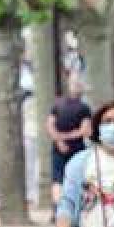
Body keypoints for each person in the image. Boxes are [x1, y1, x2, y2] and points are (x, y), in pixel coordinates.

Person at [47, 77, 93, 209]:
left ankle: (58, 209)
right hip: (77, 148)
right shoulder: (84, 108)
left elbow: (50, 126)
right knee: (77, 178)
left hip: (58, 147)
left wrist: (59, 140)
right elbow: (86, 130)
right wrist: (70, 136)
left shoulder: (56, 104)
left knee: (58, 179)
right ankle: (75, 207)